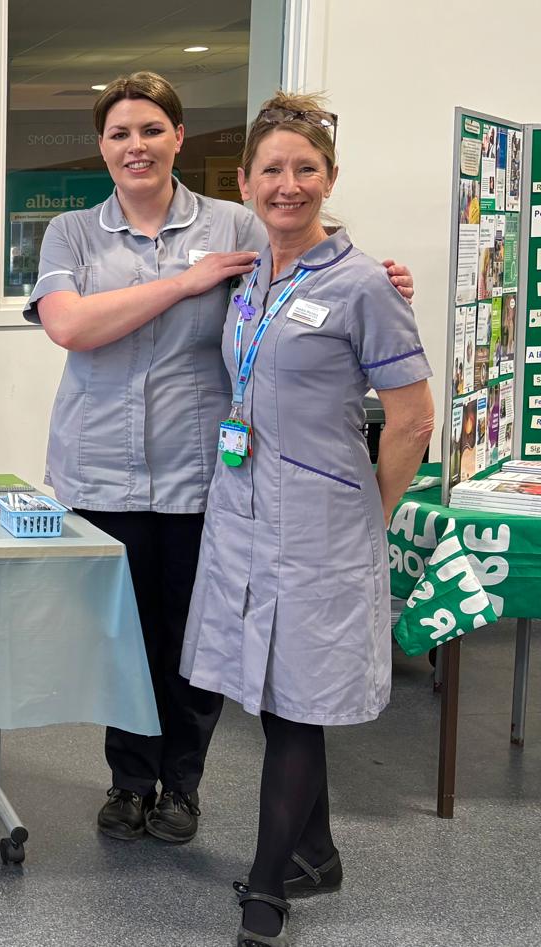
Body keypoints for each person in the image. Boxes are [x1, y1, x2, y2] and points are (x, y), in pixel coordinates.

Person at [25, 72, 414, 846]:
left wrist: (386, 277)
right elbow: (70, 326)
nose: (135, 145)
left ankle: (182, 784)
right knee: (121, 636)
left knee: (197, 641)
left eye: (151, 129)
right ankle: (128, 779)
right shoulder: (73, 233)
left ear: (177, 137)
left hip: (210, 474)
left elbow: (317, 266)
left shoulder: (237, 224)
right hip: (100, 468)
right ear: (101, 147)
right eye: (119, 133)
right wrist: (187, 281)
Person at [180, 91, 435, 947]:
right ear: (246, 183)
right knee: (273, 692)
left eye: (306, 170)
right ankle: (315, 851)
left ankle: (266, 889)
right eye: (272, 171)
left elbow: (413, 419)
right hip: (246, 516)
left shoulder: (364, 283)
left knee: (296, 705)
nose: (288, 186)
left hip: (322, 527)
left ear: (330, 179)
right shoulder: (252, 276)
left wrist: (372, 511)